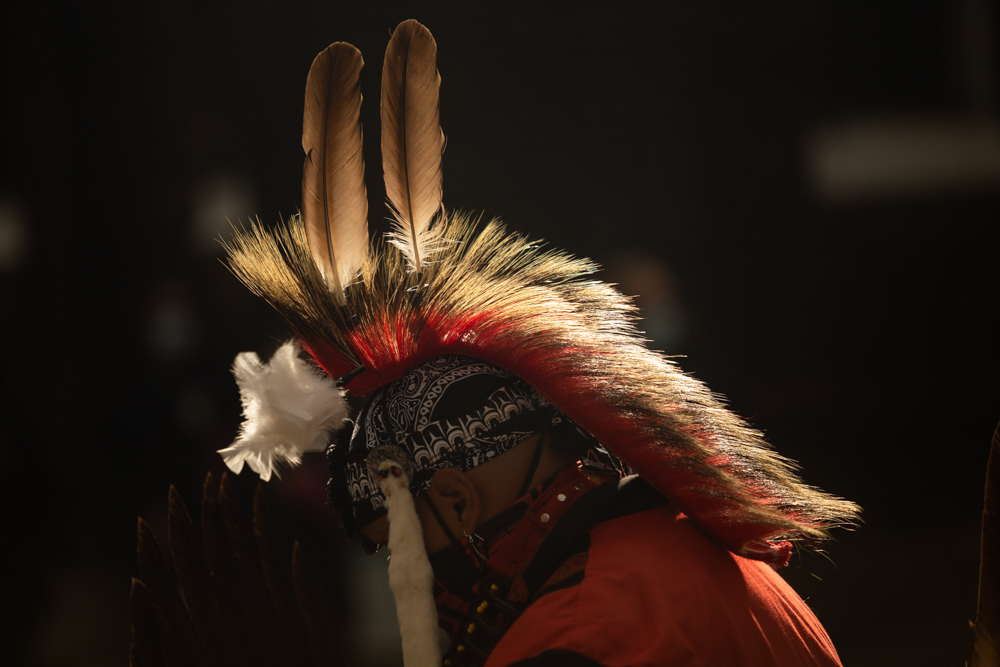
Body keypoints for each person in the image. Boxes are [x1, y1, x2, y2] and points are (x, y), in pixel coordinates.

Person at [218, 19, 859, 667]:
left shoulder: (576, 636)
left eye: (401, 544)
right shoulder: (718, 564)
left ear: (455, 500)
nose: (414, 581)